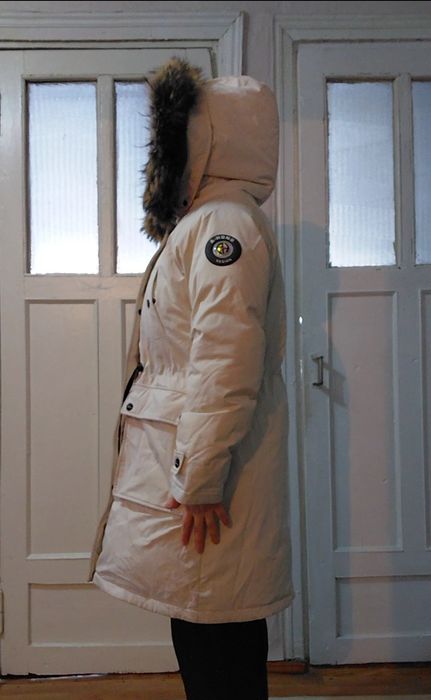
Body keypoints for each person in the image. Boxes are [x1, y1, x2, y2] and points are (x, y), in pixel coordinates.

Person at [87, 57, 294, 700]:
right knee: (210, 630)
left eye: (175, 140)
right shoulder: (213, 219)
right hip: (192, 465)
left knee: (216, 639)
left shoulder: (222, 225)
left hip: (202, 482)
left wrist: (199, 478)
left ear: (207, 141)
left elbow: (226, 356)